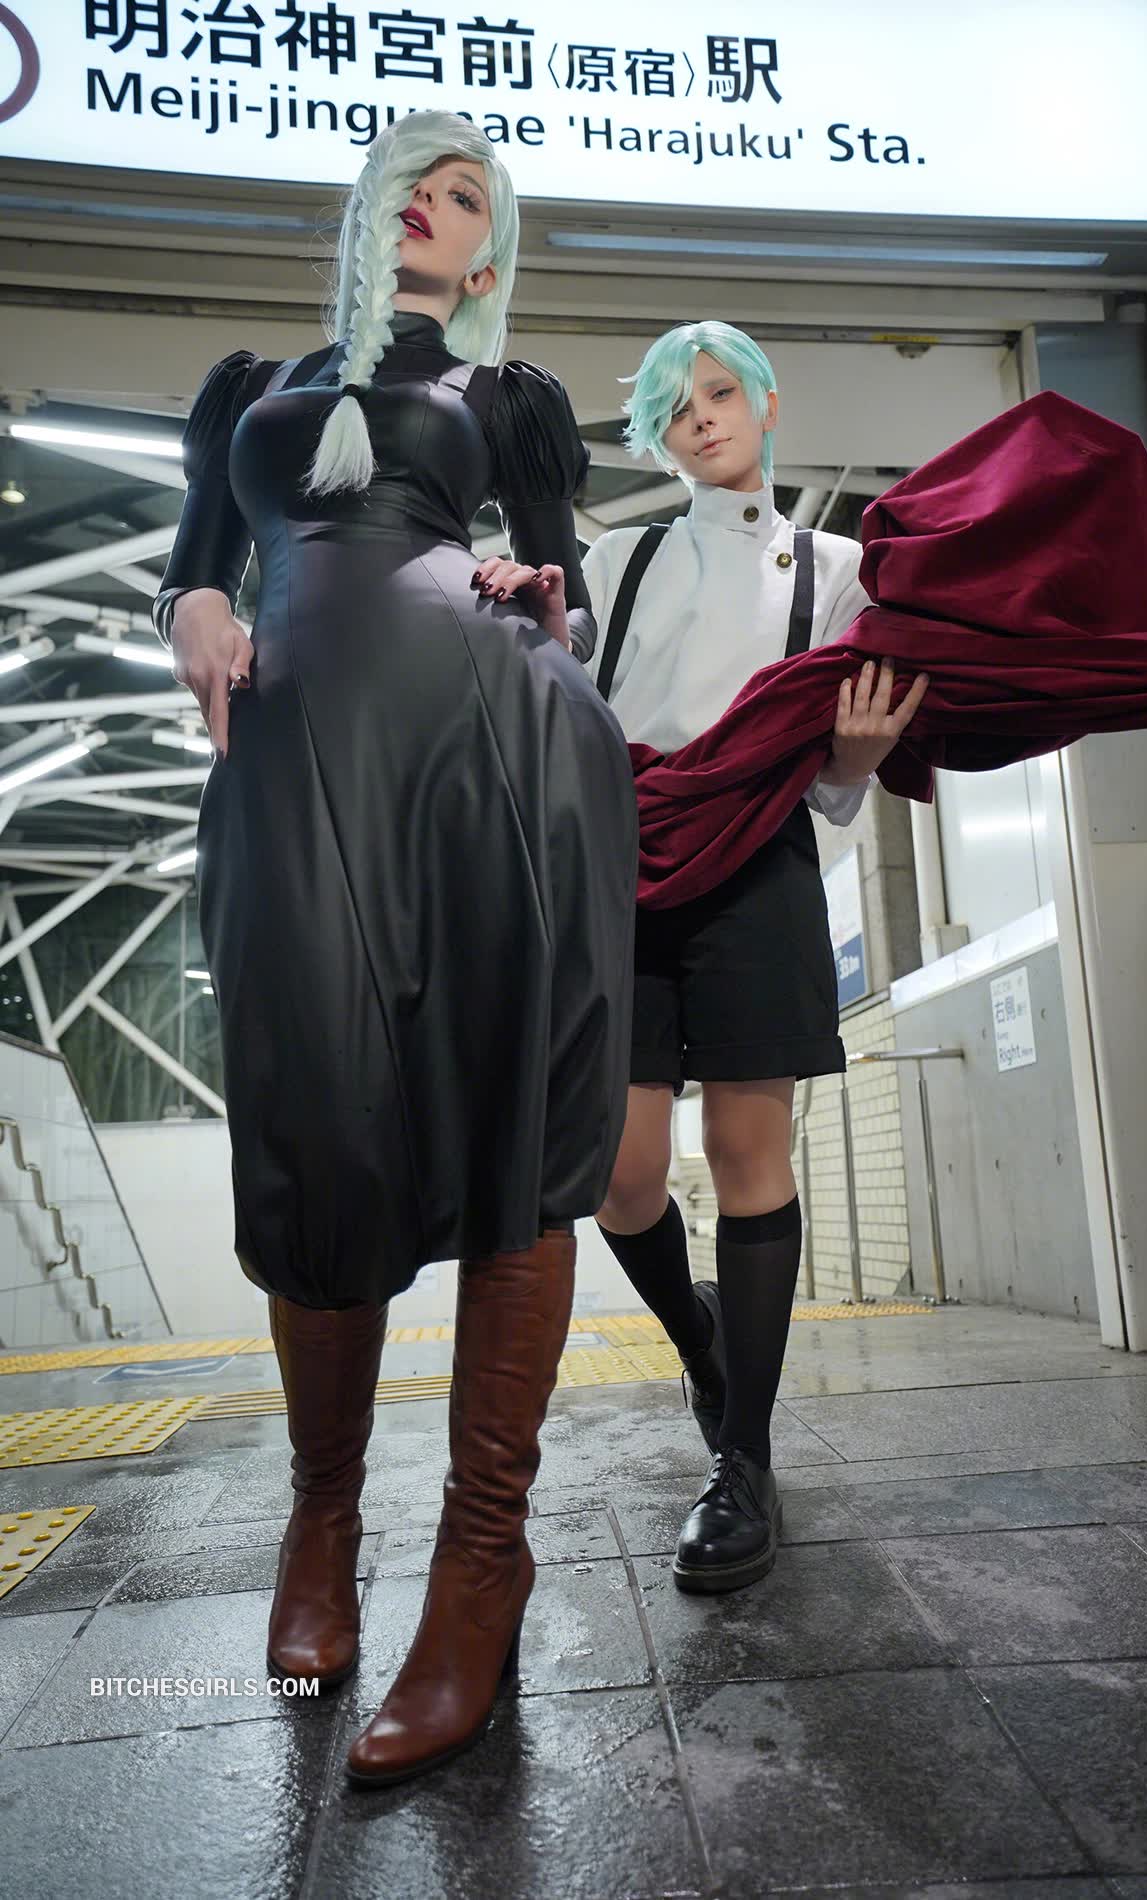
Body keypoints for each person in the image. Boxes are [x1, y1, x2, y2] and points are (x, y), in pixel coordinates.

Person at [152, 110, 638, 1788]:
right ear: (364, 217)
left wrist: (537, 584)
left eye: (464, 195)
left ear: (490, 246)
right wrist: (193, 607)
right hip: (296, 757)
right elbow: (197, 565)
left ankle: (481, 1557)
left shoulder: (508, 394)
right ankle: (323, 1514)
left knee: (517, 1123)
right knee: (317, 1126)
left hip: (480, 748)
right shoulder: (248, 391)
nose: (431, 207)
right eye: (409, 187)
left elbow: (564, 583)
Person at [581, 321, 926, 1595]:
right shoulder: (615, 558)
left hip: (760, 865)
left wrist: (857, 761)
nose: (703, 419)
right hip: (626, 867)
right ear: (659, 436)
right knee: (617, 1173)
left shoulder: (835, 570)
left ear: (766, 405)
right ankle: (706, 1348)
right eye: (677, 408)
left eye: (722, 393)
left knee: (744, 1151)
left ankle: (744, 1460)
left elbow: (831, 774)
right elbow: (573, 722)